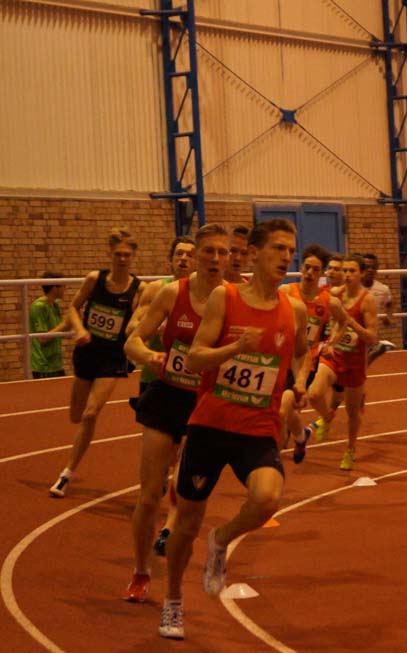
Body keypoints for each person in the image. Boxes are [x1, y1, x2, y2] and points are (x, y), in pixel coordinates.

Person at [158, 219, 309, 640]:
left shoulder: (293, 309)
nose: (286, 257)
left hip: (257, 427)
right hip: (211, 425)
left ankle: (221, 539)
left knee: (267, 499)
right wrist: (235, 348)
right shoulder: (225, 298)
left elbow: (303, 351)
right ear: (254, 254)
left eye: (290, 250)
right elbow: (195, 359)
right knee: (186, 524)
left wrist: (300, 381)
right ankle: (173, 601)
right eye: (278, 248)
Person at [122, 224, 230, 604]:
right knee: (149, 494)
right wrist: (148, 355)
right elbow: (133, 340)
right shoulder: (173, 293)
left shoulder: (233, 298)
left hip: (206, 404)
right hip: (167, 397)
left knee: (187, 497)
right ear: (196, 255)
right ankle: (140, 571)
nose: (215, 258)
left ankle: (175, 559)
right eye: (208, 251)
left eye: (222, 252)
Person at [49, 228, 145, 498]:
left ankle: (66, 474)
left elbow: (137, 322)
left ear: (133, 256)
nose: (122, 259)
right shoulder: (95, 279)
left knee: (91, 414)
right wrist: (79, 329)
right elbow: (72, 307)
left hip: (112, 357)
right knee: (76, 416)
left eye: (127, 255)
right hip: (87, 352)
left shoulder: (139, 289)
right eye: (118, 254)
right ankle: (72, 461)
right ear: (110, 254)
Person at [307, 254, 378, 472]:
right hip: (333, 355)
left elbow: (371, 337)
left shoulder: (367, 300)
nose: (347, 275)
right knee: (314, 394)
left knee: (352, 412)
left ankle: (350, 448)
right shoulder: (335, 293)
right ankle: (327, 417)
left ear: (361, 274)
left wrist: (350, 323)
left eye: (351, 271)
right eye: (344, 270)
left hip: (354, 362)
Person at [279, 244, 348, 464]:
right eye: (307, 267)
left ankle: (274, 453)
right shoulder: (286, 292)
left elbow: (344, 321)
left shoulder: (328, 301)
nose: (309, 273)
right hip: (279, 358)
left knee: (284, 407)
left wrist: (331, 342)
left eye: (315, 269)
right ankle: (301, 437)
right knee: (286, 410)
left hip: (304, 362)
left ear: (321, 274)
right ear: (301, 268)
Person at [128, 236, 196, 397]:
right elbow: (131, 328)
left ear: (197, 262)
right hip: (155, 375)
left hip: (190, 379)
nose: (183, 258)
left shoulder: (206, 293)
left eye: (189, 255)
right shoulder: (155, 288)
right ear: (171, 260)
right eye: (179, 253)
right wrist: (157, 328)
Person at [29, 271, 69, 378]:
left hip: (56, 364)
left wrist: (73, 320)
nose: (65, 289)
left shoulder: (54, 305)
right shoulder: (39, 307)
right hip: (43, 365)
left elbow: (61, 330)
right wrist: (64, 324)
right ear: (55, 288)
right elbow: (42, 338)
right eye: (63, 286)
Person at [361, 253, 395, 363]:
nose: (370, 270)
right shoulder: (353, 287)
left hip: (371, 332)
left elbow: (390, 303)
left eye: (373, 267)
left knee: (366, 360)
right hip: (354, 330)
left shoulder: (382, 289)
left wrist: (388, 316)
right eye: (367, 267)